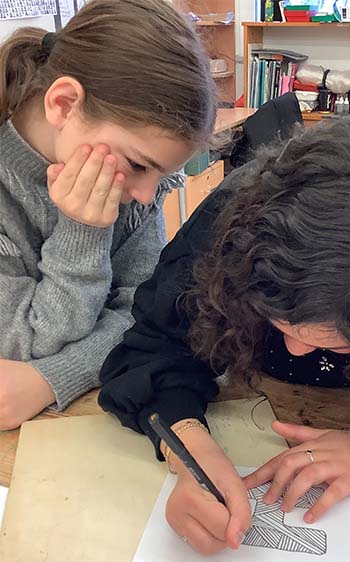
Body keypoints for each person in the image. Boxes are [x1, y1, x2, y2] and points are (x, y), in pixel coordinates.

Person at [99, 116, 350, 556]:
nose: (294, 350)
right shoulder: (230, 230)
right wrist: (191, 448)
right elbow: (154, 347)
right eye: (278, 323)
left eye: (339, 341)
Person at [0, 0, 215, 430]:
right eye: (138, 165)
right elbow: (28, 343)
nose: (146, 195)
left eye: (160, 174)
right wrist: (83, 231)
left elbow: (149, 314)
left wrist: (53, 378)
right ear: (63, 104)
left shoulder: (129, 181)